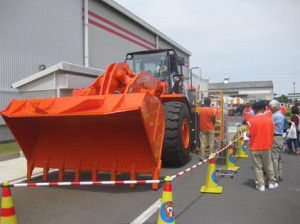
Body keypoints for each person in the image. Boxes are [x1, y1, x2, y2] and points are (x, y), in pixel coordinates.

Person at [247, 100, 277, 191]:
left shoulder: (250, 121)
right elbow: (273, 132)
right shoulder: (270, 120)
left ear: (255, 110)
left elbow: (248, 134)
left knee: (258, 167)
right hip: (267, 146)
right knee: (268, 165)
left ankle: (261, 185)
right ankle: (272, 182)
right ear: (264, 109)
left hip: (255, 146)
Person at [269, 100, 285, 183]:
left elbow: (272, 127)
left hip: (275, 137)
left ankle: (275, 176)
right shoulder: (280, 114)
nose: (269, 108)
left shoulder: (275, 116)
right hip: (279, 137)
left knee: (274, 158)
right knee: (278, 157)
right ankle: (279, 174)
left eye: (270, 106)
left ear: (275, 107)